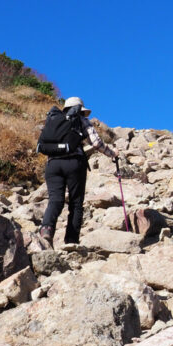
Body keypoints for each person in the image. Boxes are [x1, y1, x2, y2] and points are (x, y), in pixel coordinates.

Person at [37, 96, 118, 249]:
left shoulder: (54, 120)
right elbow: (96, 143)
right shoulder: (80, 120)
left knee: (55, 200)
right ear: (80, 110)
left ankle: (46, 229)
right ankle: (71, 241)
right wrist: (112, 153)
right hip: (74, 164)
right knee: (76, 203)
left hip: (53, 164)